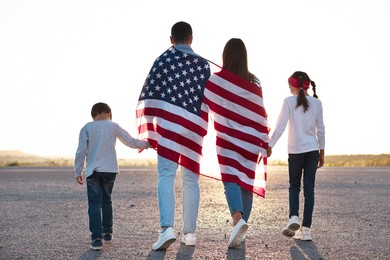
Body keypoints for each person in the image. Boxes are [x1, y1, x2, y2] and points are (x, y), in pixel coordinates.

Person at [136, 21, 211, 250]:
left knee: (166, 175)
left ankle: (166, 228)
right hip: (193, 128)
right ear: (191, 38)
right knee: (191, 179)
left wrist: (149, 126)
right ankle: (190, 234)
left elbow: (149, 94)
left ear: (171, 39)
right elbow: (207, 98)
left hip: (169, 126)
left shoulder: (162, 60)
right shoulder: (203, 64)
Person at [204, 38, 269, 248]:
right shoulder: (255, 81)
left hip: (227, 139)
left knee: (230, 179)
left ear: (226, 56)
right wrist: (265, 140)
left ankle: (237, 220)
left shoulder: (216, 80)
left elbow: (206, 103)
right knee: (246, 184)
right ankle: (240, 229)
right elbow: (260, 112)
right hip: (251, 140)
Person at [74, 102, 150, 251]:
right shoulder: (113, 126)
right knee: (106, 200)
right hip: (110, 170)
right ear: (108, 113)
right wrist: (148, 144)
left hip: (93, 171)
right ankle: (107, 232)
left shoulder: (87, 128)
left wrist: (78, 171)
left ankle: (97, 239)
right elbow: (131, 142)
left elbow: (81, 151)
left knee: (94, 204)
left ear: (93, 115)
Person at [267, 71, 325, 241]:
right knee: (309, 189)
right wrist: (322, 152)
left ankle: (293, 218)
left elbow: (280, 127)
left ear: (293, 85)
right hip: (313, 150)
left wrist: (270, 145)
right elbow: (321, 130)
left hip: (295, 151)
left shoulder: (289, 102)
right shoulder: (317, 103)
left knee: (294, 186)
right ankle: (306, 230)